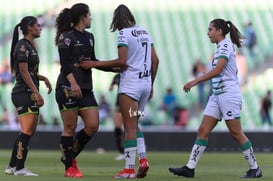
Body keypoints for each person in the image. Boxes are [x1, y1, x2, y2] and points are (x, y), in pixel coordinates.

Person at [169, 19, 262, 178]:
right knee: (202, 130)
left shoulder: (225, 45)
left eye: (210, 29)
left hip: (228, 94)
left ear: (219, 31)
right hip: (217, 95)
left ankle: (255, 168)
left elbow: (218, 70)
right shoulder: (220, 47)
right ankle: (190, 168)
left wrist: (195, 80)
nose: (208, 33)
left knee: (236, 132)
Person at [79, 4, 159, 178]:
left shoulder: (124, 34)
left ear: (117, 20)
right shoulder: (144, 32)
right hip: (145, 85)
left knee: (128, 127)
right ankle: (143, 160)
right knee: (135, 125)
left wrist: (94, 63)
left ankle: (129, 169)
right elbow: (155, 60)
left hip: (131, 86)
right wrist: (151, 84)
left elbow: (122, 62)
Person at [54, 3, 111, 178]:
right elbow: (64, 64)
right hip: (67, 87)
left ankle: (68, 156)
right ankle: (70, 168)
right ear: (82, 17)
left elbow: (92, 61)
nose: (91, 18)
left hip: (86, 88)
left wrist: (114, 68)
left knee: (93, 125)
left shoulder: (90, 37)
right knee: (69, 128)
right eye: (90, 15)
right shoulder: (66, 37)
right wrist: (73, 83)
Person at [5, 16, 52, 176]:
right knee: (26, 131)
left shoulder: (29, 46)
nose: (40, 28)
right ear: (29, 28)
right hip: (23, 93)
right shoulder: (22, 46)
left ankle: (12, 166)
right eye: (38, 25)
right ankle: (20, 168)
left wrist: (42, 78)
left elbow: (29, 72)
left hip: (26, 91)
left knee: (27, 131)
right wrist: (36, 92)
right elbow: (23, 72)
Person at [109, 74, 125, 161]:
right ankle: (122, 151)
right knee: (118, 129)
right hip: (118, 103)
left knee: (129, 127)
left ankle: (128, 151)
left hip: (128, 102)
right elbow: (111, 87)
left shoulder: (130, 74)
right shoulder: (117, 76)